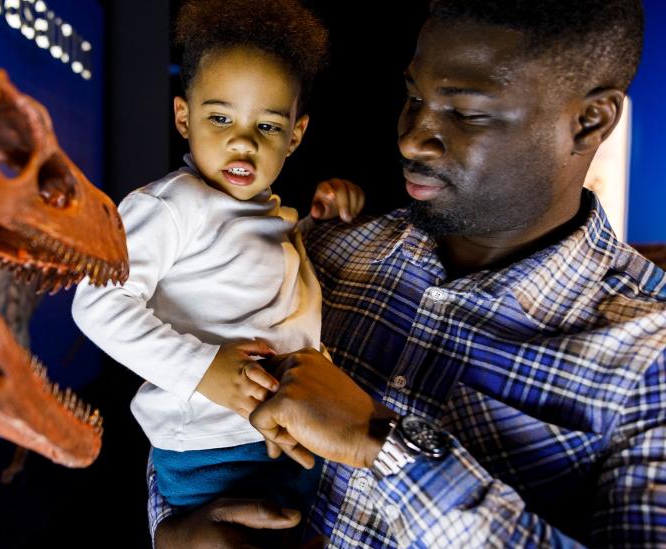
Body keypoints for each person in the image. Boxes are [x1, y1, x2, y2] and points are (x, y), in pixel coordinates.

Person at [151, 0, 666, 547]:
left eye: (467, 112)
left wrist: (383, 441)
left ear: (590, 121)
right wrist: (173, 530)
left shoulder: (652, 356)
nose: (412, 138)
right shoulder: (322, 248)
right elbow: (193, 407)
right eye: (414, 96)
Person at [71, 0, 364, 530]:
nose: (243, 141)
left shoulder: (270, 213)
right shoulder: (168, 206)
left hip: (287, 437)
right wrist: (200, 369)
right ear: (183, 116)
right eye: (221, 117)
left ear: (295, 135)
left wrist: (320, 225)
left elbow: (266, 290)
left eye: (268, 126)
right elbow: (96, 303)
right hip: (211, 451)